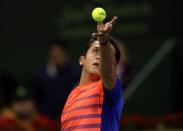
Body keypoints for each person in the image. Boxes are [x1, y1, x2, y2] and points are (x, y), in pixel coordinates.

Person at [61, 16, 123, 131]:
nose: (100, 57)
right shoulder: (71, 96)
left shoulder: (109, 87)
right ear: (82, 60)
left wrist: (104, 42)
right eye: (95, 51)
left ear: (114, 66)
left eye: (107, 56)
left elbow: (108, 73)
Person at [30, 38, 80, 120]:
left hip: (72, 116)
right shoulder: (40, 75)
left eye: (59, 53)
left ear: (66, 54)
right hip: (48, 119)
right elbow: (36, 98)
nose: (57, 57)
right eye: (53, 54)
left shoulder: (77, 73)